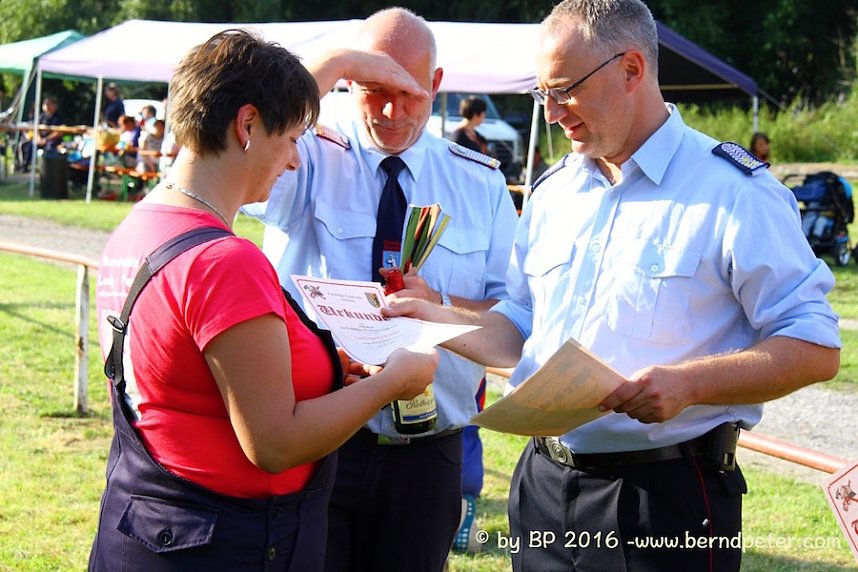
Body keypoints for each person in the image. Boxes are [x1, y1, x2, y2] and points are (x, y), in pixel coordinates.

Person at [384, 1, 841, 570]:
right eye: (540, 94)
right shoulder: (554, 193)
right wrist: (437, 317)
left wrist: (688, 385)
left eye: (563, 90)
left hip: (665, 494)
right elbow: (522, 326)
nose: (550, 114)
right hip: (544, 484)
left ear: (631, 70)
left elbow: (815, 345)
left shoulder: (734, 191)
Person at [89, 29, 437, 572]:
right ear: (248, 124)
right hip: (227, 542)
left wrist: (320, 371)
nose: (295, 160)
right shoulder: (225, 261)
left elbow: (189, 378)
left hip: (150, 527)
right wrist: (395, 381)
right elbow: (274, 443)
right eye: (294, 137)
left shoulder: (143, 226)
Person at [244, 8, 517, 572]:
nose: (392, 113)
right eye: (373, 90)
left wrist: (439, 306)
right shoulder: (303, 154)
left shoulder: (479, 182)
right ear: (347, 84)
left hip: (427, 455)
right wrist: (335, 60)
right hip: (321, 440)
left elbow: (513, 314)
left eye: (411, 94)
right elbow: (242, 143)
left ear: (437, 86)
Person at [17, 96, 64, 171]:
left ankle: (47, 169)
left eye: (48, 104)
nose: (46, 106)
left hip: (52, 141)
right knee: (29, 145)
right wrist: (38, 138)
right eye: (45, 104)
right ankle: (24, 166)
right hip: (40, 140)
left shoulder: (58, 117)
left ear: (54, 105)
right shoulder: (42, 116)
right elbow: (36, 128)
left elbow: (59, 132)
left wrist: (46, 139)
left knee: (50, 147)